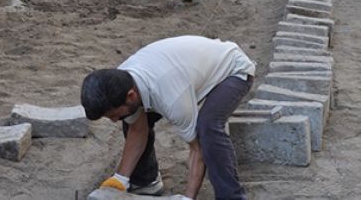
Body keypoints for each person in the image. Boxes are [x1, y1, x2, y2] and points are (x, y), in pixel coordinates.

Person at [81, 36, 255, 200]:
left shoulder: (172, 98)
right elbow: (137, 129)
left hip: (233, 70)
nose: (112, 120)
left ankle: (231, 196)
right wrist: (119, 180)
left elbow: (197, 150)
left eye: (112, 115)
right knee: (129, 119)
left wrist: (188, 197)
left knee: (207, 127)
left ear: (131, 95)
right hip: (186, 71)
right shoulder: (122, 80)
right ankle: (146, 182)